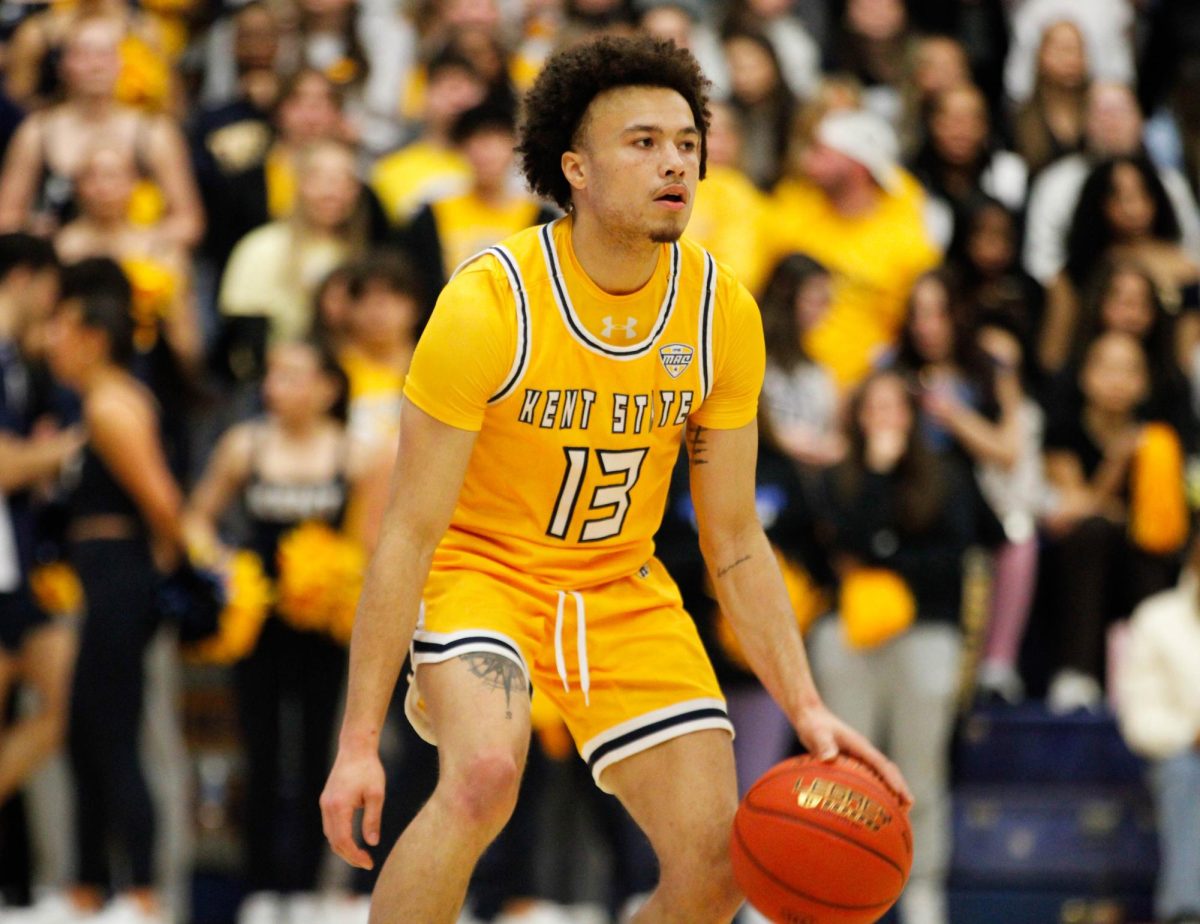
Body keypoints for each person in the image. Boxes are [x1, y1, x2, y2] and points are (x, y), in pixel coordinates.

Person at [320, 34, 910, 924]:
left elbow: (736, 541)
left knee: (718, 863)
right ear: (577, 170)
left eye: (685, 141)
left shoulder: (722, 314)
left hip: (618, 585)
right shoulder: (489, 304)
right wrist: (359, 742)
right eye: (643, 142)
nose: (675, 162)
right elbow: (406, 532)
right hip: (483, 575)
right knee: (483, 777)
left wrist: (808, 705)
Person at [185, 339, 384, 924]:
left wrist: (339, 580)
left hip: (323, 628)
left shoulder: (358, 454)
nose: (277, 387)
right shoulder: (243, 445)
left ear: (328, 387)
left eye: (294, 376)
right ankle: (261, 886)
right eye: (273, 375)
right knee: (262, 749)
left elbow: (370, 543)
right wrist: (223, 569)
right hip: (259, 624)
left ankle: (318, 886)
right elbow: (197, 515)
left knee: (325, 750)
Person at [45, 257, 188, 924]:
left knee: (114, 729)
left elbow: (161, 500)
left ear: (94, 338)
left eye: (63, 330)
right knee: (86, 728)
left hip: (118, 573)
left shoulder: (110, 404)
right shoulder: (95, 404)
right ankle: (88, 884)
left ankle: (139, 888)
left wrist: (158, 572)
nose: (52, 342)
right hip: (99, 571)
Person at [809, 370, 976, 924]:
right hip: (852, 636)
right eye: (873, 407)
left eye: (896, 407)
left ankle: (923, 887)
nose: (885, 419)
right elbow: (840, 548)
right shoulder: (840, 478)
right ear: (858, 417)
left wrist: (885, 557)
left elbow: (951, 563)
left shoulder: (948, 477)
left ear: (914, 416)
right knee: (848, 775)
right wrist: (879, 478)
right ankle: (841, 889)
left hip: (926, 634)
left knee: (920, 771)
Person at [767, 107, 941, 389]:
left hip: (866, 390)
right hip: (786, 379)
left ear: (857, 166)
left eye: (823, 151)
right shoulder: (792, 205)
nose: (808, 158)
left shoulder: (905, 240)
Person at [0, 234, 79, 807]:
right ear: (25, 276)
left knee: (54, 711)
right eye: (52, 287)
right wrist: (76, 445)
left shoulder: (16, 360)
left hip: (17, 560)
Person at [1116, 543, 1200, 924]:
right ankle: (1185, 914)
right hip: (1181, 756)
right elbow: (1139, 721)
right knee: (1186, 773)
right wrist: (1193, 733)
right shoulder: (1156, 618)